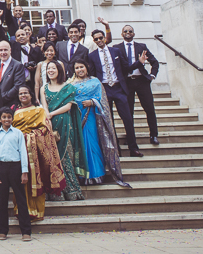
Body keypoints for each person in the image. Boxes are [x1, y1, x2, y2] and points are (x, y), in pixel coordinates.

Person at [11, 86, 67, 221]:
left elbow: (46, 129)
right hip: (19, 151)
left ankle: (37, 211)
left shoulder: (39, 110)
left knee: (36, 179)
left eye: (25, 93)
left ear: (31, 95)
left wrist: (29, 136)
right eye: (20, 93)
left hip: (36, 150)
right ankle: (22, 210)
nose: (23, 95)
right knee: (20, 180)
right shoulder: (16, 112)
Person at [72, 59, 130, 187]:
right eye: (76, 68)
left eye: (82, 67)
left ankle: (96, 174)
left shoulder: (96, 82)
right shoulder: (71, 84)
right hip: (77, 116)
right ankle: (82, 175)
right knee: (81, 146)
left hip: (91, 115)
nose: (79, 70)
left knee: (92, 143)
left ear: (87, 67)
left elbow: (103, 100)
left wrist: (92, 102)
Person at [88, 29, 142, 157]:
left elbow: (126, 67)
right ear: (94, 41)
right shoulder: (92, 56)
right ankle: (116, 148)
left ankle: (133, 148)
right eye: (96, 39)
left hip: (119, 88)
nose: (99, 40)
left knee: (128, 119)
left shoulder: (115, 51)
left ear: (104, 38)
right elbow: (93, 75)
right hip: (105, 89)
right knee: (109, 120)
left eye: (101, 38)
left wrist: (139, 63)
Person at [39, 61, 85, 201]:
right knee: (52, 157)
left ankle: (71, 190)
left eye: (53, 68)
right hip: (50, 124)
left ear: (59, 70)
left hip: (65, 123)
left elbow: (68, 106)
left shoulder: (68, 87)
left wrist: (52, 114)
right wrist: (47, 116)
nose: (50, 71)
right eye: (48, 69)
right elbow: (44, 105)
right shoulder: (44, 88)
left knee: (65, 156)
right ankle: (55, 191)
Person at [0, 107, 32, 241]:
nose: (6, 119)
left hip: (15, 166)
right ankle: (2, 231)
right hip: (1, 167)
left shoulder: (18, 133)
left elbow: (23, 152)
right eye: (4, 117)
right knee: (2, 200)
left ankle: (26, 232)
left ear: (12, 118)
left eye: (9, 117)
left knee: (21, 199)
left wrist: (24, 171)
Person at [115, 24, 160, 146]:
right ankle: (131, 137)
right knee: (128, 111)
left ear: (133, 34)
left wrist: (152, 75)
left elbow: (154, 62)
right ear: (122, 34)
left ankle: (154, 135)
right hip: (127, 82)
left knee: (149, 108)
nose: (128, 32)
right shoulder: (117, 48)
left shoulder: (141, 46)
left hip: (142, 81)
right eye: (125, 31)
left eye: (130, 31)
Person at [0, 41, 28, 106]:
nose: (3, 53)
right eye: (1, 50)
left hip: (11, 105)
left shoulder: (18, 66)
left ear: (10, 50)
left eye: (5, 50)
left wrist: (0, 98)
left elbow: (17, 87)